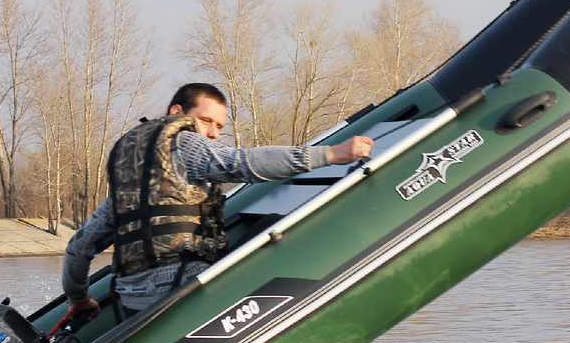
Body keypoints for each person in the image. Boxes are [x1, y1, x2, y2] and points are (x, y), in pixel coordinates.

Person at [63, 82, 373, 323]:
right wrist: (330, 155)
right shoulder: (185, 143)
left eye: (220, 127)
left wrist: (78, 300)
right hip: (181, 288)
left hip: (134, 301)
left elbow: (80, 247)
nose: (212, 134)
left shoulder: (129, 187)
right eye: (205, 121)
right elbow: (242, 164)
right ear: (177, 113)